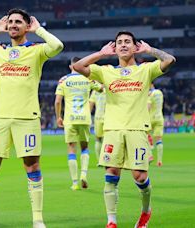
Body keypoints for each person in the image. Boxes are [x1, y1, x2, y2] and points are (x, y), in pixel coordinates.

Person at [0, 8, 63, 228]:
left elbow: (57, 46)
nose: (13, 25)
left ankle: (38, 219)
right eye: (10, 22)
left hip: (27, 116)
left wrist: (40, 30)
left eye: (18, 22)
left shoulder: (36, 51)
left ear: (27, 26)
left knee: (32, 166)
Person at [73, 31, 175, 228]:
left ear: (135, 47)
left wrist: (150, 50)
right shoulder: (106, 71)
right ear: (115, 47)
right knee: (111, 174)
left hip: (137, 129)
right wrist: (101, 54)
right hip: (113, 130)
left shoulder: (146, 69)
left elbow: (170, 60)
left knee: (140, 177)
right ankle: (111, 221)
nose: (123, 45)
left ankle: (146, 211)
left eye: (128, 42)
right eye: (119, 42)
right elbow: (78, 66)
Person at [54, 57, 102, 190]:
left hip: (70, 119)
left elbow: (58, 101)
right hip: (85, 119)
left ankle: (75, 182)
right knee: (85, 147)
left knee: (71, 148)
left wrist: (58, 117)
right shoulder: (88, 79)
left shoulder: (64, 80)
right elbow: (101, 89)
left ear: (70, 66)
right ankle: (84, 174)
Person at [148, 84, 164, 167]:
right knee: (159, 139)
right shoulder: (160, 93)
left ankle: (150, 155)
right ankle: (159, 161)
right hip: (160, 117)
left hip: (151, 118)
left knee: (145, 135)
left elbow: (148, 107)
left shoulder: (150, 94)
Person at [89, 86, 106, 161]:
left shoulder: (95, 91)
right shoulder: (110, 88)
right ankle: (107, 159)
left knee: (98, 139)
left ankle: (99, 160)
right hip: (109, 118)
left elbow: (90, 105)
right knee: (108, 140)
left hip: (98, 117)